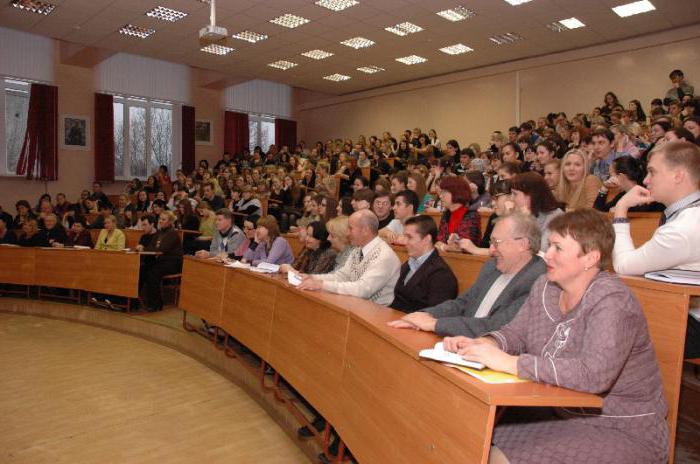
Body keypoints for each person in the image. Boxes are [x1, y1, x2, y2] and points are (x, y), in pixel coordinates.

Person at [444, 209, 668, 464]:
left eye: (557, 248)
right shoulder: (545, 286)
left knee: (495, 456)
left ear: (590, 258)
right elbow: (516, 333)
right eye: (548, 245)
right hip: (555, 412)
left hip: (619, 427)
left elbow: (593, 375)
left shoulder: (613, 301)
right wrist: (485, 344)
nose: (546, 254)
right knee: (467, 432)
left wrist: (510, 363)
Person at [388, 212, 545, 336]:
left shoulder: (537, 281)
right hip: (463, 343)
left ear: (522, 245)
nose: (490, 250)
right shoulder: (491, 267)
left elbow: (496, 326)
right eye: (491, 243)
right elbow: (462, 303)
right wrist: (424, 315)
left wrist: (436, 324)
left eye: (496, 243)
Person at [612, 141, 700, 358]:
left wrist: (621, 208)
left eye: (652, 172)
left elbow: (623, 266)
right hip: (687, 310)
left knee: (610, 316)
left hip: (694, 326)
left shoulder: (683, 227)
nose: (645, 180)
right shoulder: (687, 216)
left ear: (678, 175)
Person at [298, 209, 401, 305]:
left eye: (350, 228)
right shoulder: (358, 249)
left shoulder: (384, 256)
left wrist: (322, 285)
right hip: (356, 308)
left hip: (375, 315)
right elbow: (342, 276)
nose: (347, 233)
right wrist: (313, 278)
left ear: (365, 230)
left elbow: (363, 290)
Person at [389, 215, 458, 313]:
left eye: (409, 237)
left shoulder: (441, 274)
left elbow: (434, 315)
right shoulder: (408, 265)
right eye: (404, 236)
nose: (405, 242)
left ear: (427, 239)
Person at [140, 211, 183, 312]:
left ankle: (156, 304)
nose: (160, 221)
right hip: (162, 261)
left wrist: (145, 249)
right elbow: (151, 246)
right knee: (143, 268)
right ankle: (141, 300)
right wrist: (143, 247)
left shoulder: (173, 234)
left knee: (153, 273)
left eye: (164, 219)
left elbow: (162, 249)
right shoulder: (159, 233)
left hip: (173, 263)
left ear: (170, 222)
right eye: (160, 219)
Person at [510, 172, 564, 252]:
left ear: (531, 195)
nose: (511, 198)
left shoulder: (556, 217)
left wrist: (528, 222)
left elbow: (542, 249)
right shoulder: (519, 214)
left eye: (515, 194)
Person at [594, 156, 664, 212]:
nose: (609, 178)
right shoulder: (622, 195)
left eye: (611, 174)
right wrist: (604, 189)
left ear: (621, 176)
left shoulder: (647, 192)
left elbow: (642, 212)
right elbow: (598, 213)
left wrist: (621, 209)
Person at [435, 176, 481, 252]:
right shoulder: (446, 215)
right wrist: (446, 247)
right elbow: (438, 242)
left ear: (456, 192)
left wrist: (444, 247)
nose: (440, 196)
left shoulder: (471, 216)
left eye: (444, 192)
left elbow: (463, 247)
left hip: (467, 261)